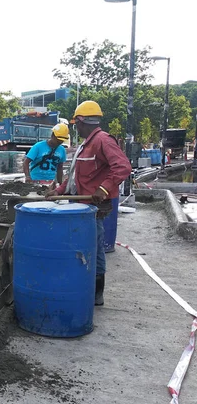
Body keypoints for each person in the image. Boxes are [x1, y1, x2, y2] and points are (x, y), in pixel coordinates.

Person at [46, 100, 132, 306]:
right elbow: (75, 176)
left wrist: (103, 188)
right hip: (79, 207)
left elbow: (122, 166)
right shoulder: (86, 144)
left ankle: (96, 292)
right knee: (82, 247)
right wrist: (58, 191)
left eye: (77, 124)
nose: (76, 128)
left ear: (83, 121)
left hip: (91, 209)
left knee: (94, 248)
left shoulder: (102, 141)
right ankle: (82, 284)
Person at [23, 123, 69, 187]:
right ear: (52, 135)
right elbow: (26, 162)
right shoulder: (38, 146)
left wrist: (60, 184)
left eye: (61, 141)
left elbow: (60, 168)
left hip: (51, 183)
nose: (59, 142)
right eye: (58, 140)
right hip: (35, 181)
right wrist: (28, 177)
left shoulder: (62, 150)